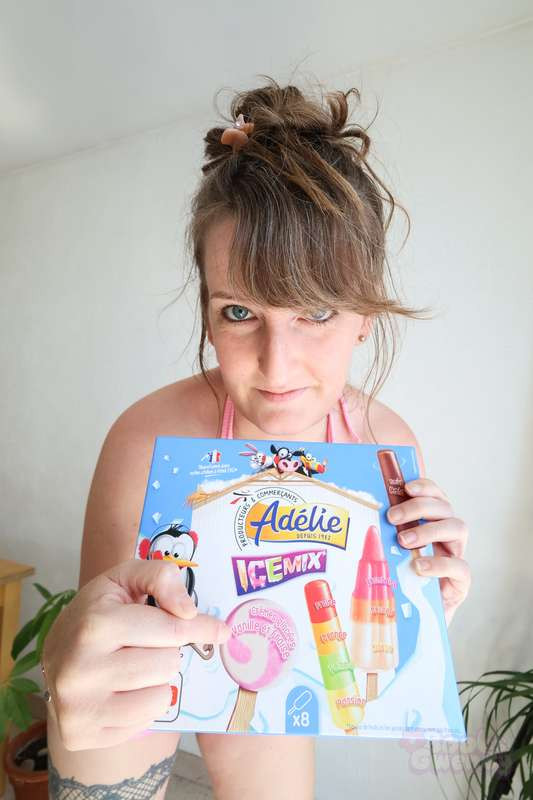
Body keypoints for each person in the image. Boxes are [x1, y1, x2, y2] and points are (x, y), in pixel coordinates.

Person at [43, 76, 471, 800]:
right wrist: (65, 664)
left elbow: (373, 649)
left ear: (365, 315)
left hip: (280, 656)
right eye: (239, 312)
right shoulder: (145, 439)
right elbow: (101, 643)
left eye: (316, 312)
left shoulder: (385, 447)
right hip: (154, 670)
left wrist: (425, 609)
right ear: (207, 312)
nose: (276, 368)